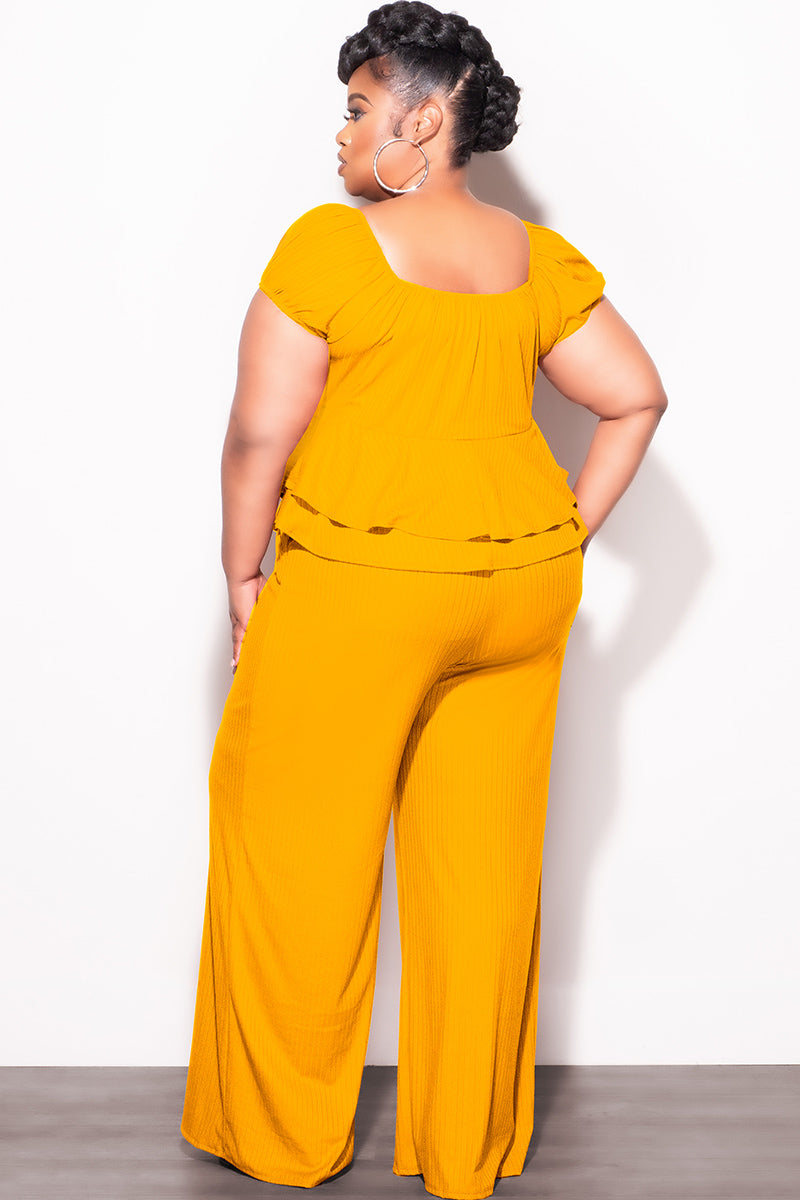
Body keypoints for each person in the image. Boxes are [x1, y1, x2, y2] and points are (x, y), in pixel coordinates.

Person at [179, 3, 668, 1197]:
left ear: (420, 120)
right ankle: (464, 1151)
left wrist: (242, 575)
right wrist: (558, 532)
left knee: (296, 862)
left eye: (357, 107)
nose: (340, 132)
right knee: (480, 876)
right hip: (520, 595)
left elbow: (258, 437)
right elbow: (634, 396)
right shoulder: (536, 261)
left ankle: (285, 1140)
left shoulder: (331, 247)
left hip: (364, 586)